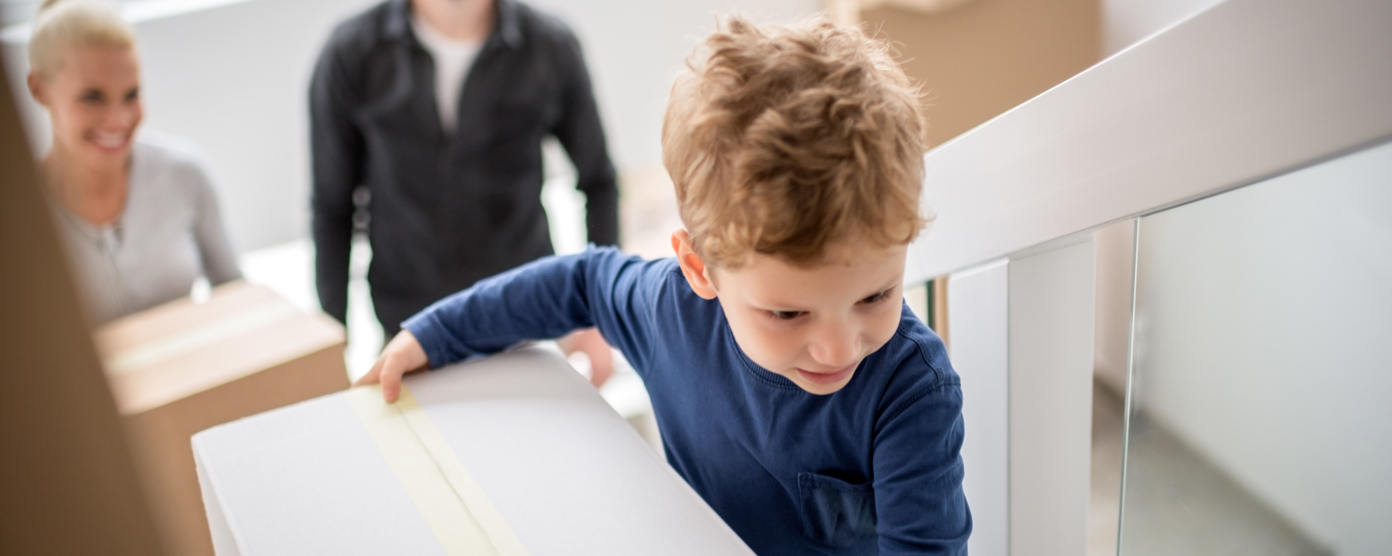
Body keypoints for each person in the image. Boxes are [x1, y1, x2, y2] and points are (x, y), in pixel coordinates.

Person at [356, 15, 971, 554]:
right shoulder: (667, 311)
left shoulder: (910, 390)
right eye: (788, 314)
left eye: (876, 295)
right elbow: (579, 280)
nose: (840, 348)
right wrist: (436, 333)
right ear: (700, 269)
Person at [309, 0, 617, 384]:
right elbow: (332, 209)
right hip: (406, 327)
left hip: (525, 323)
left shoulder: (549, 46)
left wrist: (600, 315)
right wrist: (330, 347)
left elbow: (599, 182)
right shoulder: (351, 53)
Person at [26, 0, 240, 325]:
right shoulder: (17, 216)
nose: (118, 120)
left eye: (131, 95)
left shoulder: (184, 173)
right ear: (39, 89)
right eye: (92, 97)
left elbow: (238, 297)